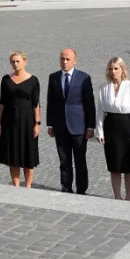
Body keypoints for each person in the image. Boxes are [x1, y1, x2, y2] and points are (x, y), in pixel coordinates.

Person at [45, 48, 97, 194]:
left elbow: (89, 103)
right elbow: (51, 102)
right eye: (62, 59)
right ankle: (66, 187)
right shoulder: (53, 77)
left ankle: (81, 189)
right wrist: (50, 124)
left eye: (68, 59)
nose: (65, 62)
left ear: (75, 61)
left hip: (79, 125)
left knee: (80, 159)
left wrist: (91, 126)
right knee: (64, 159)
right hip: (60, 125)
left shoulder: (84, 77)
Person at [96, 56, 130, 200]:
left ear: (122, 69)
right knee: (114, 164)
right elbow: (101, 110)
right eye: (110, 69)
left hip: (127, 125)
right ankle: (117, 196)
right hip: (111, 126)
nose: (113, 72)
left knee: (129, 164)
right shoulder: (104, 87)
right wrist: (100, 131)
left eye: (116, 68)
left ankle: (128, 196)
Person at [0, 51, 40, 187]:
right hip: (9, 120)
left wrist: (37, 123)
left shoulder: (33, 80)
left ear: (24, 61)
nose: (15, 64)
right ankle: (16, 186)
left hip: (27, 121)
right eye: (12, 62)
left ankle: (27, 186)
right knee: (12, 154)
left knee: (28, 154)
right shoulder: (6, 79)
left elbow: (36, 104)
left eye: (17, 61)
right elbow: (2, 102)